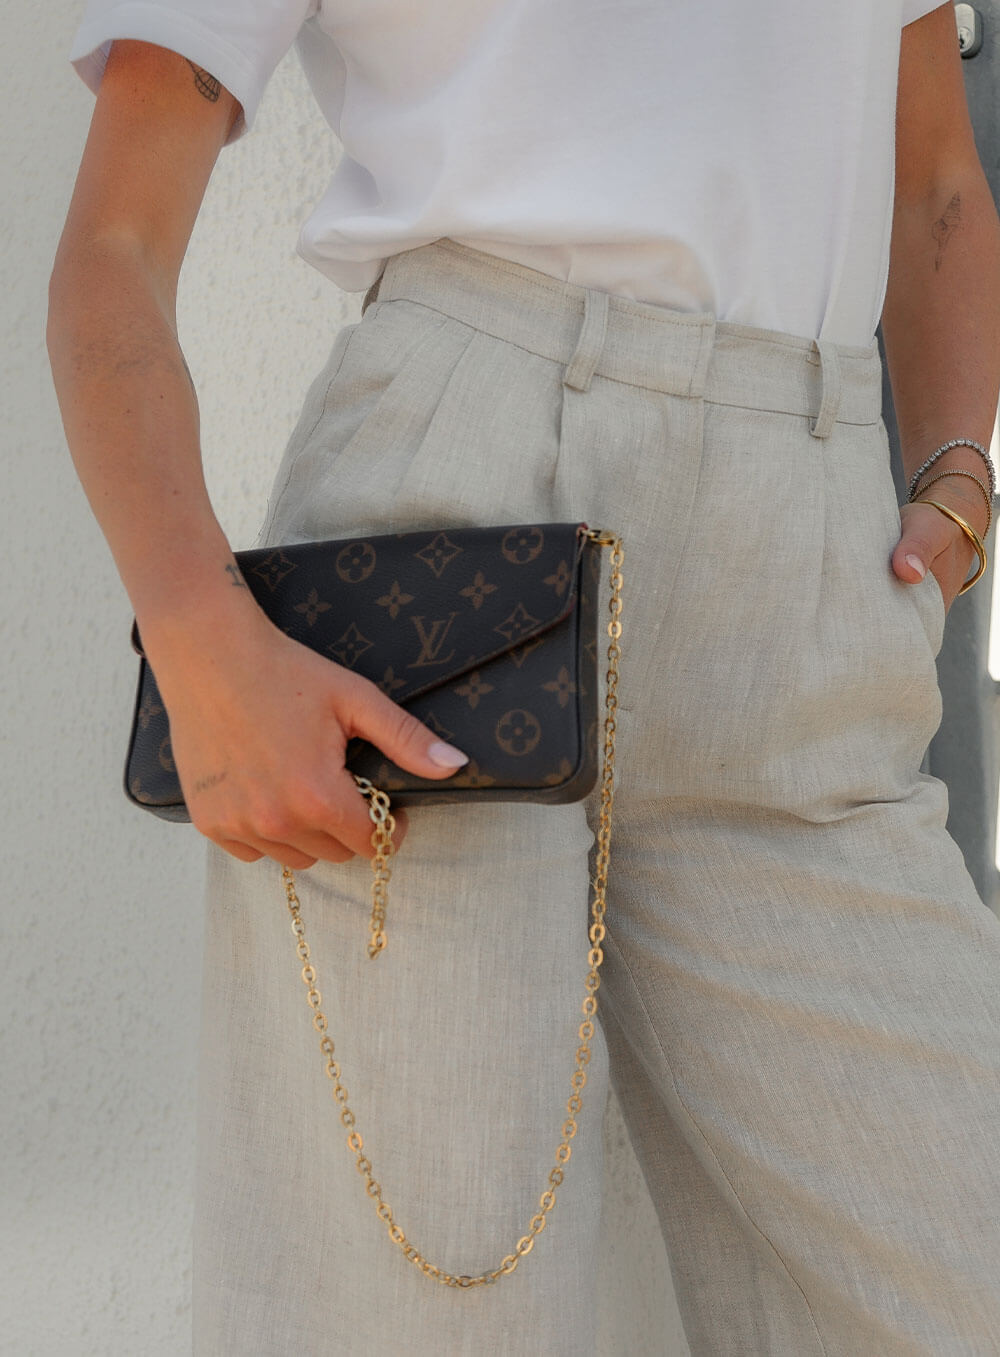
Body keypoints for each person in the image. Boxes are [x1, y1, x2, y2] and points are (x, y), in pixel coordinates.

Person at [48, 2, 1000, 1353]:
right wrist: (195, 632)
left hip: (804, 564)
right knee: (428, 1310)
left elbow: (940, 182)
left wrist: (958, 469)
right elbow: (115, 244)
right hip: (456, 559)